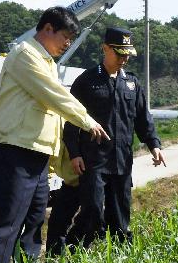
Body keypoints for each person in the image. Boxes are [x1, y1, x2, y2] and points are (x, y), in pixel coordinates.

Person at [0, 7, 109, 263]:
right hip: (15, 151)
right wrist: (87, 120)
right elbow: (54, 97)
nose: (67, 44)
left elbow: (52, 116)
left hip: (37, 155)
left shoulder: (48, 62)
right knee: (6, 223)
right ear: (47, 28)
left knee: (33, 221)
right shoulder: (25, 55)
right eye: (65, 37)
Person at [64, 27, 165, 246]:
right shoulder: (87, 80)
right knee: (92, 210)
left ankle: (121, 259)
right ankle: (74, 248)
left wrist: (154, 145)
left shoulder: (131, 83)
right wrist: (74, 153)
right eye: (119, 53)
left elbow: (142, 118)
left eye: (127, 54)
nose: (124, 58)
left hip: (121, 160)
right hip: (94, 160)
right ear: (105, 48)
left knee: (120, 217)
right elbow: (72, 120)